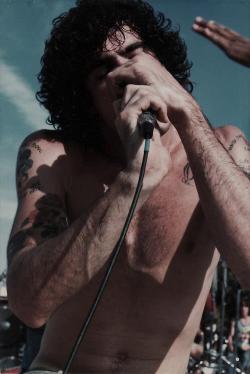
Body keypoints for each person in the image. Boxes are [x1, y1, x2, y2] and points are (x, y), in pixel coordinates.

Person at [6, 0, 250, 373]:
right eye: (102, 68)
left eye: (134, 51)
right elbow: (28, 304)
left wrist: (188, 113)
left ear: (162, 60)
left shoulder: (226, 146)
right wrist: (134, 180)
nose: (127, 69)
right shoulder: (54, 154)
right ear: (83, 96)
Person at [228, 298, 250, 371]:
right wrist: (231, 346)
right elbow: (231, 336)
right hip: (237, 345)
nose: (243, 308)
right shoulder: (235, 320)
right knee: (231, 357)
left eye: (246, 306)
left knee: (246, 356)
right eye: (242, 306)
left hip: (248, 347)